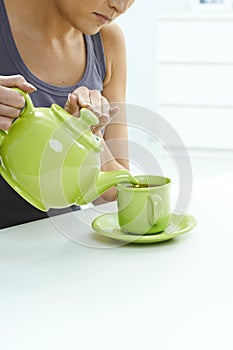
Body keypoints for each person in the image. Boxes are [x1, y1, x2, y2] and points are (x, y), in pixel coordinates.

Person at [0, 0, 135, 228]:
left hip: (61, 248)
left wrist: (92, 136)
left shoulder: (108, 41)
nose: (120, 6)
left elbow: (113, 195)